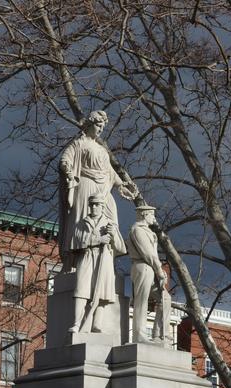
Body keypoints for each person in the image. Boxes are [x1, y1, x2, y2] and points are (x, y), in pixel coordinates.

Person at [59, 110, 136, 270]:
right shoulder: (79, 143)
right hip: (86, 186)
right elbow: (65, 159)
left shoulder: (101, 148)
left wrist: (122, 185)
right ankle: (79, 260)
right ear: (90, 124)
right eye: (99, 125)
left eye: (102, 127)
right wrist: (68, 170)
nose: (101, 129)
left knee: (111, 216)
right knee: (83, 221)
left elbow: (109, 172)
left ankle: (104, 257)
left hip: (103, 189)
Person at [69, 193, 126, 334]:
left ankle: (96, 325)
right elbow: (76, 242)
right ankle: (77, 324)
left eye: (97, 204)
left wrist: (113, 237)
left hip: (104, 260)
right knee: (81, 291)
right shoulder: (82, 224)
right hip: (87, 258)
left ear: (102, 207)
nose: (94, 207)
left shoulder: (110, 224)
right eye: (92, 204)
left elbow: (121, 248)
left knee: (101, 293)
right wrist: (98, 240)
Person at [127, 206, 168, 343]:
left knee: (165, 299)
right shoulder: (137, 230)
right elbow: (148, 253)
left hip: (151, 268)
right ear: (145, 214)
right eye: (152, 215)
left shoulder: (147, 231)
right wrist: (159, 270)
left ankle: (159, 335)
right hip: (142, 266)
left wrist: (159, 271)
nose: (154, 218)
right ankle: (139, 335)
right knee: (141, 301)